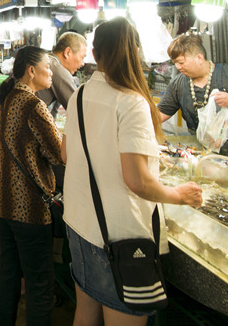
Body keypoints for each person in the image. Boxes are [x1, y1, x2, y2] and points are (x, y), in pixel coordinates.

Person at [62, 18, 203, 325]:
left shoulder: (80, 95)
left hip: (78, 221)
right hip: (117, 237)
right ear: (135, 52)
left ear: (96, 55)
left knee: (85, 315)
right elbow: (137, 180)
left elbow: (65, 152)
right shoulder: (132, 102)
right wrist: (178, 195)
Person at [0, 46, 62, 326]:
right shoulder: (34, 105)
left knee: (9, 274)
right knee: (39, 285)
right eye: (48, 66)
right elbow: (58, 154)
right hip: (31, 210)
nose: (52, 72)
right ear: (32, 71)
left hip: (4, 204)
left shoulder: (9, 98)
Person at [37, 31, 87, 119]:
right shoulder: (56, 69)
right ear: (67, 52)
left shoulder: (47, 60)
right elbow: (79, 110)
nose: (83, 63)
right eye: (82, 57)